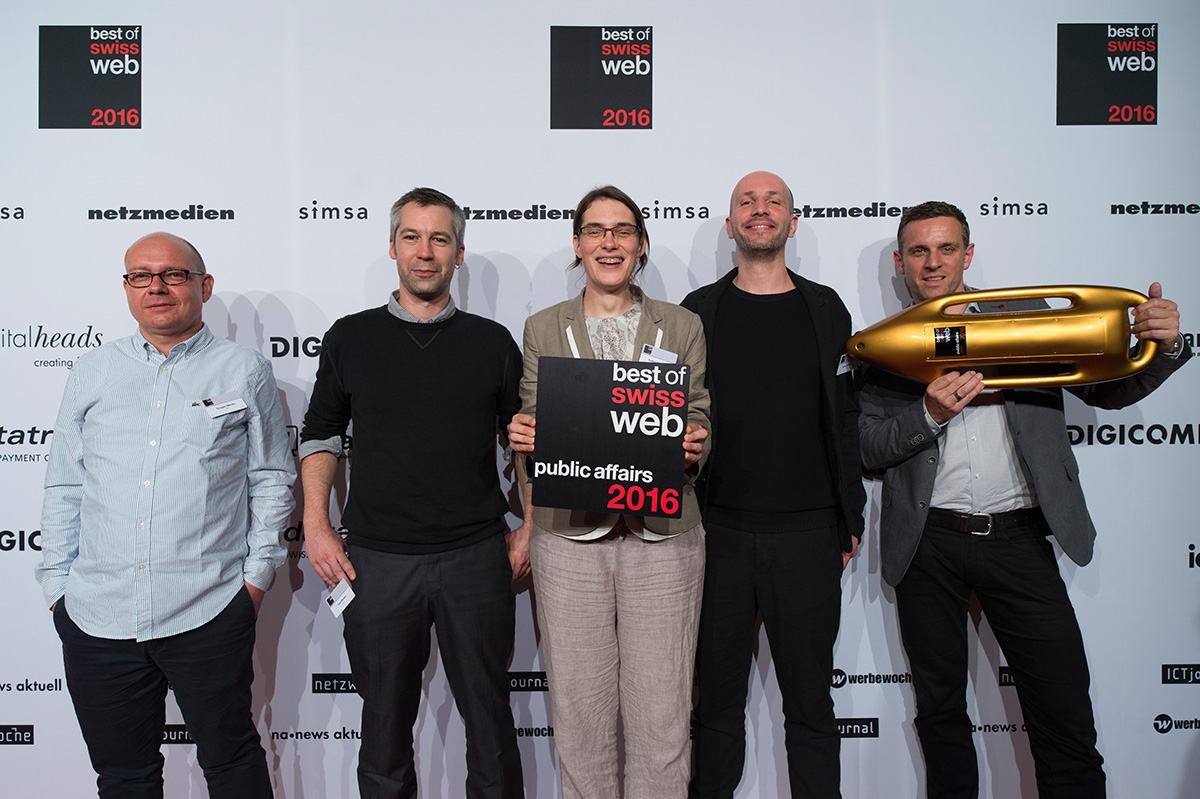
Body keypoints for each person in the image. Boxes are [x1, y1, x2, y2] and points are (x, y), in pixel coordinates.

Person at [858, 200, 1191, 798]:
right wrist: (928, 414)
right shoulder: (886, 347)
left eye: (946, 248)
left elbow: (1111, 392)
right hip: (928, 544)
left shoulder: (1029, 321)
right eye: (918, 251)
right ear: (901, 262)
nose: (933, 263)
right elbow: (867, 447)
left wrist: (1164, 346)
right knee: (941, 719)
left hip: (1019, 537)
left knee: (1062, 713)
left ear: (968, 252)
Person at [36, 232, 295, 798]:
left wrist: (254, 581)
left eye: (173, 274)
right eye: (140, 275)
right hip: (97, 615)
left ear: (203, 286)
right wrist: (59, 588)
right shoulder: (91, 372)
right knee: (124, 777)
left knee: (231, 762)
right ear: (126, 288)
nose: (156, 286)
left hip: (208, 609)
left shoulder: (243, 370)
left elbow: (271, 479)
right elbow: (64, 484)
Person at [299, 187, 524, 799]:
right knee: (383, 731)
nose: (425, 253)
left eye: (440, 239)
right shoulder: (350, 337)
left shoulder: (494, 342)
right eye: (413, 238)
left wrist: (528, 524)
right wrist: (317, 527)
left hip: (477, 558)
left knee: (491, 725)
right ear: (393, 246)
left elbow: (521, 441)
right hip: (375, 563)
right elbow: (319, 436)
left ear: (458, 253)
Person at [506, 185, 710, 799]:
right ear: (577, 245)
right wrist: (524, 433)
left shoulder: (682, 324)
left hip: (664, 540)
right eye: (595, 231)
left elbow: (696, 410)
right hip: (569, 540)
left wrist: (696, 440)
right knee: (580, 719)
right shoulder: (544, 327)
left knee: (664, 720)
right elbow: (536, 418)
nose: (609, 242)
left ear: (641, 244)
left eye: (622, 231)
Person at [682, 171, 865, 799]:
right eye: (746, 202)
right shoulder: (697, 312)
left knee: (813, 706)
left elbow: (844, 418)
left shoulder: (826, 307)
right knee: (716, 709)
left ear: (794, 221)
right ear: (731, 221)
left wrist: (850, 517)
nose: (760, 211)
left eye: (774, 202)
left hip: (810, 534)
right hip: (716, 535)